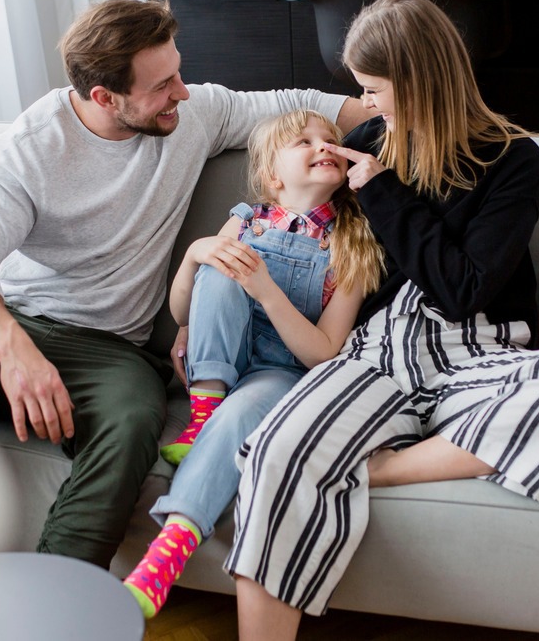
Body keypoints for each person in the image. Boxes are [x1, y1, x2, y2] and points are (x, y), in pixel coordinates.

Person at [0, 0, 367, 570]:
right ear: (104, 97)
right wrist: (14, 350)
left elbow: (303, 106)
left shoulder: (191, 114)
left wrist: (402, 115)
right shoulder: (31, 148)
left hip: (110, 352)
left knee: (132, 423)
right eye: (163, 85)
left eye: (178, 72)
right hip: (11, 326)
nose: (183, 92)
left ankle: (59, 596)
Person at [226, 0, 539, 640]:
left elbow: (463, 289)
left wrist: (383, 192)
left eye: (373, 89)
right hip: (378, 351)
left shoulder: (511, 159)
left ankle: (381, 466)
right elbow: (283, 211)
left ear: (418, 81)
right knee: (277, 449)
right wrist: (207, 297)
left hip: (478, 353)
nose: (366, 104)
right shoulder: (364, 143)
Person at [122, 109, 384, 618]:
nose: (324, 145)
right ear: (272, 176)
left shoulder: (353, 245)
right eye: (303, 141)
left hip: (281, 372)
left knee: (240, 414)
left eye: (330, 139)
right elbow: (184, 314)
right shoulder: (245, 220)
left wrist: (265, 290)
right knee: (222, 266)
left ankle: (164, 557)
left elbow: (323, 352)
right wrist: (194, 255)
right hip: (220, 357)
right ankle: (201, 413)